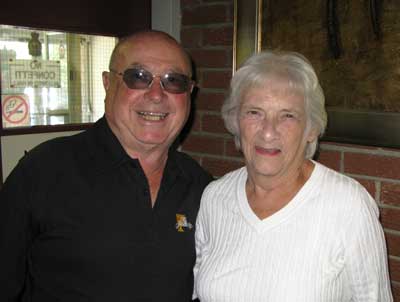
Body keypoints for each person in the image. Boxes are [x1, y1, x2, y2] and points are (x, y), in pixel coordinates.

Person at [0, 30, 213, 302]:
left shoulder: (202, 187)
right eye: (138, 77)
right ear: (107, 83)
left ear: (190, 93)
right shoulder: (43, 172)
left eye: (174, 81)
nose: (157, 94)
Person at [193, 50, 393, 301]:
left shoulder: (348, 205)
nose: (268, 132)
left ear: (311, 129)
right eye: (254, 112)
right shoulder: (215, 198)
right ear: (235, 120)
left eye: (288, 116)